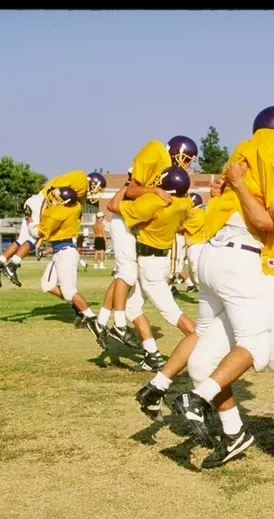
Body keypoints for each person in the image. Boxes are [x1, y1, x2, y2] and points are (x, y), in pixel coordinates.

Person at [138, 149, 274, 469]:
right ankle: (234, 433)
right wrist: (228, 193)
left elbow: (268, 220)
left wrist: (239, 186)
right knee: (201, 365)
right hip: (252, 285)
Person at [94, 137, 198, 360]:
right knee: (133, 304)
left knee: (167, 309)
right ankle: (152, 355)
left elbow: (114, 205)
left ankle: (204, 344)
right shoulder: (184, 203)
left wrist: (132, 184)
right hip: (156, 257)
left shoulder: (154, 203)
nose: (187, 164)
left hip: (150, 263)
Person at [0, 173, 106, 289]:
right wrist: (47, 213)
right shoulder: (81, 181)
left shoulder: (80, 186)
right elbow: (54, 191)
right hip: (44, 202)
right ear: (93, 183)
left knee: (22, 239)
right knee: (36, 236)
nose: (96, 193)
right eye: (98, 189)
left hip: (37, 200)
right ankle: (12, 265)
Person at [34, 174, 101, 340]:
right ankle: (79, 307)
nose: (53, 201)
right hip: (61, 251)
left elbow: (38, 231)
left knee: (69, 291)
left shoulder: (64, 211)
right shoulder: (74, 207)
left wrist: (30, 218)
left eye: (57, 199)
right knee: (47, 285)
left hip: (65, 252)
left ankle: (92, 319)